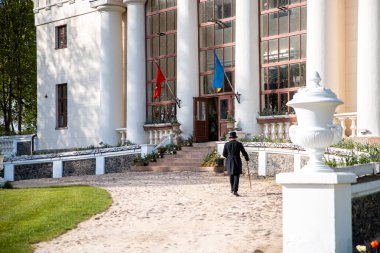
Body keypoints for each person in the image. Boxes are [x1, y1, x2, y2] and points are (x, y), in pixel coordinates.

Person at [222, 131, 249, 197]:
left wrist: (229, 157)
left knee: (231, 175)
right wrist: (247, 158)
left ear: (230, 137)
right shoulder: (239, 144)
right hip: (237, 160)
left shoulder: (226, 144)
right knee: (236, 176)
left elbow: (224, 154)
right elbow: (244, 152)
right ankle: (235, 191)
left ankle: (232, 189)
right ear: (235, 137)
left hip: (229, 161)